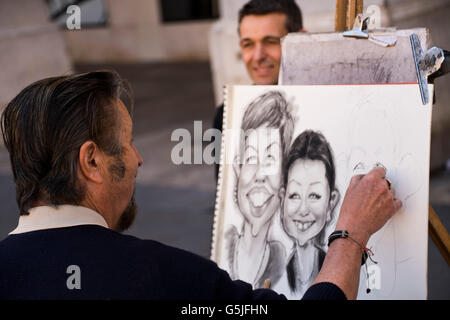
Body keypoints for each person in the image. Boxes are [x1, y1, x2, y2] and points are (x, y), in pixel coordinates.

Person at [0, 71, 401, 300]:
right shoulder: (161, 276)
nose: (139, 159)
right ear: (92, 161)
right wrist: (350, 232)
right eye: (127, 143)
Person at [213, 0, 304, 178]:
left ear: (301, 40)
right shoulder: (225, 115)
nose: (258, 56)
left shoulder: (325, 105)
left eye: (270, 42)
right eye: (248, 44)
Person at [225, 91, 293, 288]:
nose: (260, 174)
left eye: (270, 159)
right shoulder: (225, 245)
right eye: (251, 158)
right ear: (237, 169)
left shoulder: (285, 264)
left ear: (284, 177)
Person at [276, 130, 340, 298]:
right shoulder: (276, 275)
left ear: (331, 202)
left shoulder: (336, 271)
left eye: (314, 196)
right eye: (294, 195)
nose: (303, 209)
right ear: (282, 198)